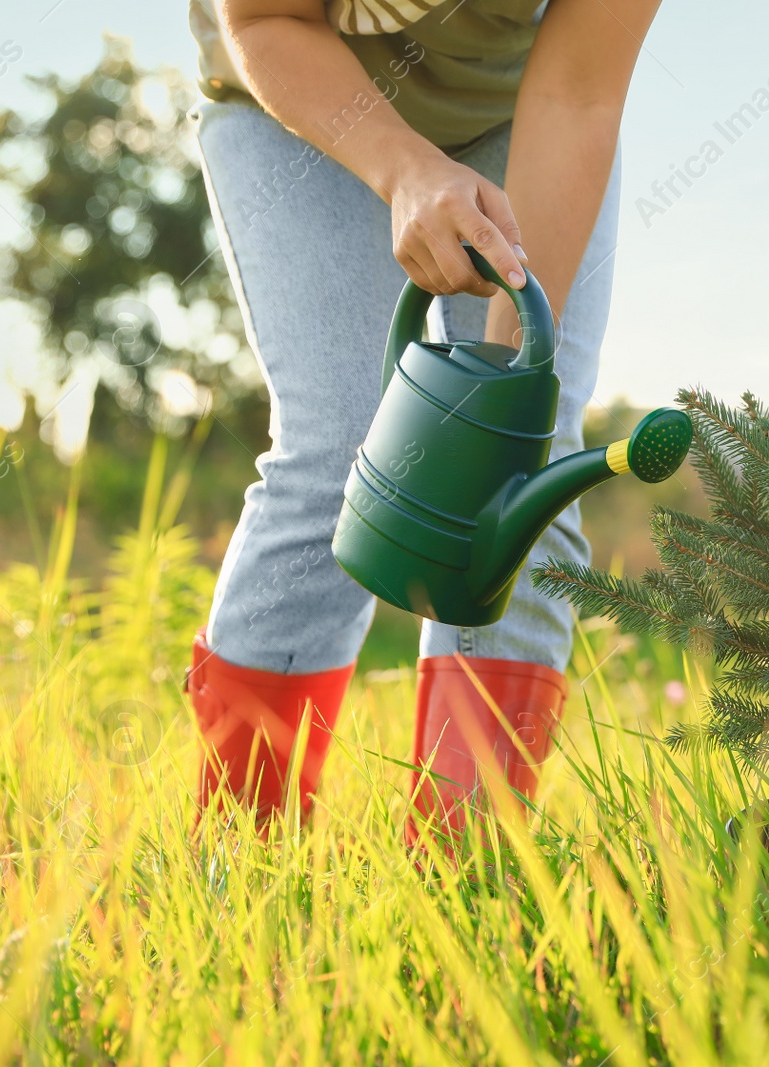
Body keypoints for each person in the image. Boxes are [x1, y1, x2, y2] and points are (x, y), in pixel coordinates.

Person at [185, 0, 661, 836]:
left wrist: (508, 403)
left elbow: (577, 97)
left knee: (528, 465)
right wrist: (404, 168)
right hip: (300, 88)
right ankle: (238, 856)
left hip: (525, 111)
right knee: (341, 448)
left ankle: (460, 870)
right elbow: (265, 20)